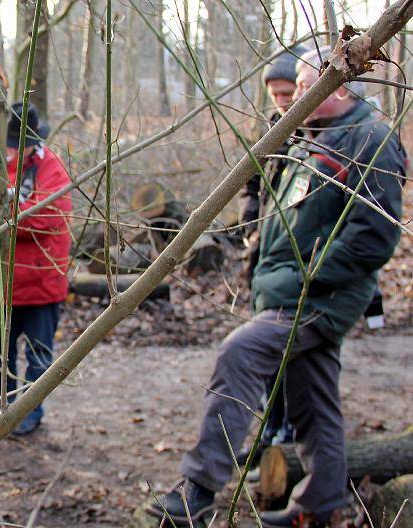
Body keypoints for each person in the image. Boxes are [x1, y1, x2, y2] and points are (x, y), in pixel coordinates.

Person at [147, 46, 405, 526]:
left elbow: (374, 237)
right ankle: (321, 505)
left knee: (240, 352)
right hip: (285, 290)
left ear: (341, 86)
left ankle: (198, 492)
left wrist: (306, 278)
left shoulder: (371, 140)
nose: (296, 98)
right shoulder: (307, 134)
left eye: (307, 87)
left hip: (316, 298)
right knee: (313, 399)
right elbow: (275, 207)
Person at [238, 45, 307, 463]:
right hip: (262, 255)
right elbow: (253, 178)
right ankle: (269, 428)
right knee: (263, 357)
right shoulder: (272, 128)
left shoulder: (312, 131)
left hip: (294, 261)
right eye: (276, 95)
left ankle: (288, 432)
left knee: (289, 357)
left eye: (289, 93)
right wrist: (249, 210)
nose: (283, 102)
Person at [0, 102, 72, 436]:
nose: (11, 150)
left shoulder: (51, 168)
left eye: (15, 143)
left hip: (40, 284)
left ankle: (31, 412)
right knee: (1, 358)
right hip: (4, 284)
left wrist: (7, 208)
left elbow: (46, 217)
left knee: (38, 356)